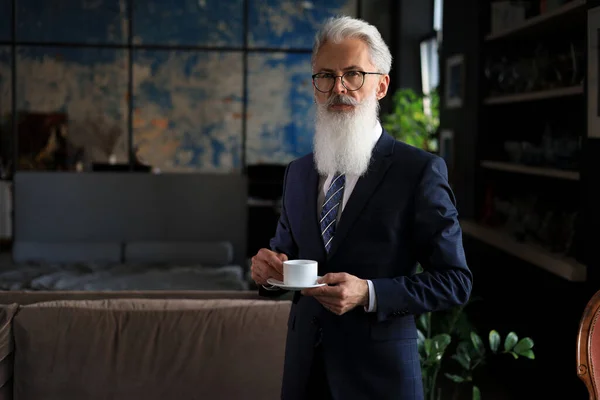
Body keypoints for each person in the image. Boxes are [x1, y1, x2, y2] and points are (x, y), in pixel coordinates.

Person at [250, 15, 473, 400]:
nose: (339, 89)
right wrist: (266, 272)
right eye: (325, 76)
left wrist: (369, 293)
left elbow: (455, 281)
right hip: (304, 374)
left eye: (353, 74)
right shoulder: (298, 173)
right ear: (314, 87)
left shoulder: (418, 171)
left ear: (381, 85)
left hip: (380, 380)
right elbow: (287, 255)